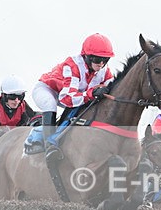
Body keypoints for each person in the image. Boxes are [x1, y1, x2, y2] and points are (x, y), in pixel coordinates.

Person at [32, 33, 115, 162]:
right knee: (50, 104)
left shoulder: (104, 70)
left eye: (106, 60)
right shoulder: (73, 65)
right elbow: (67, 99)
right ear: (87, 56)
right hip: (48, 90)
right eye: (98, 60)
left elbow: (113, 87)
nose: (102, 64)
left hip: (71, 94)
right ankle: (49, 145)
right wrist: (91, 93)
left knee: (84, 105)